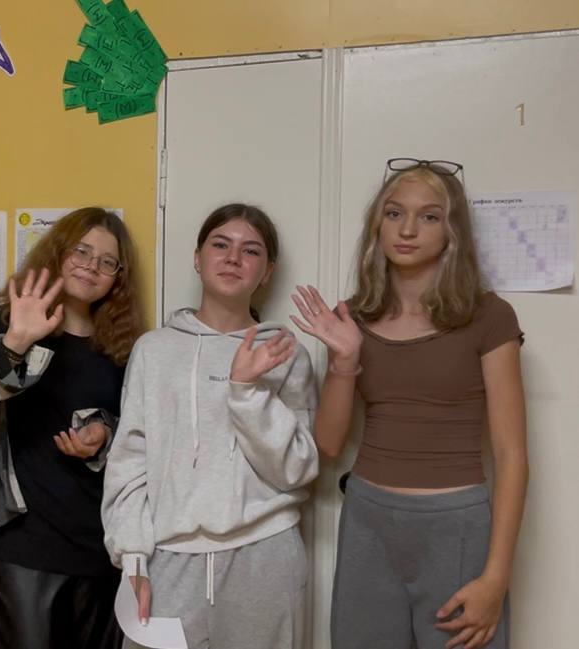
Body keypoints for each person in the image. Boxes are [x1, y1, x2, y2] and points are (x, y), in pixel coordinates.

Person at [292, 159, 528, 649]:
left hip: (457, 527)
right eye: (395, 213)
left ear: (452, 230)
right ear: (377, 224)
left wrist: (497, 576)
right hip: (368, 522)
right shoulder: (351, 316)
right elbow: (328, 445)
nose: (407, 229)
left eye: (429, 216)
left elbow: (512, 454)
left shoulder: (490, 316)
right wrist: (345, 359)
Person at [102, 203, 319, 649]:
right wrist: (134, 559)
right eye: (220, 245)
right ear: (198, 259)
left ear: (267, 271)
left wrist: (246, 391)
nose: (233, 258)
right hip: (169, 558)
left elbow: (296, 470)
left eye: (251, 250)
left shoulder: (284, 353)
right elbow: (130, 462)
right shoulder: (154, 350)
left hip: (264, 556)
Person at [0, 207, 144, 649]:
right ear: (58, 252)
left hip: (98, 547)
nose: (91, 266)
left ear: (118, 278)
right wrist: (16, 343)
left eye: (107, 261)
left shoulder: (123, 347)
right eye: (81, 252)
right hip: (20, 544)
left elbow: (140, 433)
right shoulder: (6, 323)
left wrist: (105, 435)